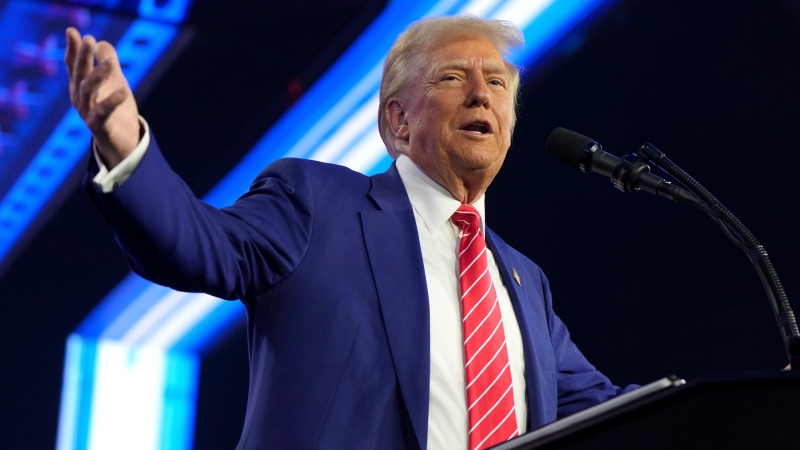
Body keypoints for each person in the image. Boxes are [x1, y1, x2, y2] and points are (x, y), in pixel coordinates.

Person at [65, 15, 635, 450]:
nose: (481, 94)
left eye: (497, 84)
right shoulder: (317, 204)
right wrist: (126, 148)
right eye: (453, 77)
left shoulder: (523, 281)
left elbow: (608, 412)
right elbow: (197, 246)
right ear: (399, 119)